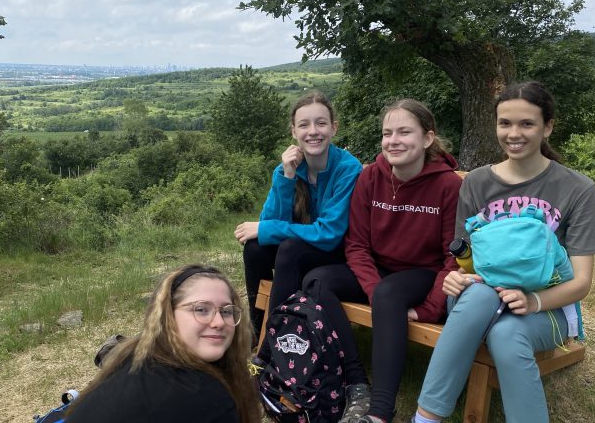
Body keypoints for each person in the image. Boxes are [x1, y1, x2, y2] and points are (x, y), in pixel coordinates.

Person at [413, 81, 595, 423]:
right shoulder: (476, 183)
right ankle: (426, 418)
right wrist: (457, 280)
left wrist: (533, 301)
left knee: (506, 333)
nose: (513, 133)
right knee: (479, 297)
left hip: (545, 308)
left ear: (547, 127)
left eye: (527, 123)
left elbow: (581, 283)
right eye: (505, 123)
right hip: (478, 298)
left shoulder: (577, 189)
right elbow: (466, 261)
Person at [302, 99, 462, 423]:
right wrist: (374, 290)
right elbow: (357, 245)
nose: (393, 140)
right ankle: (356, 380)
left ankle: (379, 412)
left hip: (422, 273)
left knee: (389, 293)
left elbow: (454, 257)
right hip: (380, 271)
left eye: (405, 132)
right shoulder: (371, 177)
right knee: (317, 280)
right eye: (387, 133)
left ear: (427, 138)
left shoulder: (449, 186)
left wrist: (430, 308)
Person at [235, 91, 363, 353]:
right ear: (294, 131)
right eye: (304, 125)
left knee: (289, 247)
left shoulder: (348, 168)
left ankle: (276, 342)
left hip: (337, 256)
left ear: (334, 128)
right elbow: (270, 223)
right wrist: (288, 175)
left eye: (321, 123)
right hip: (301, 252)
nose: (313, 131)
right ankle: (257, 329)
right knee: (256, 248)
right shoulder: (287, 168)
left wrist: (266, 228)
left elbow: (329, 234)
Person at [65, 265, 261, 423]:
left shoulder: (133, 356)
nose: (219, 322)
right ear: (169, 316)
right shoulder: (203, 398)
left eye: (227, 311)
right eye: (201, 309)